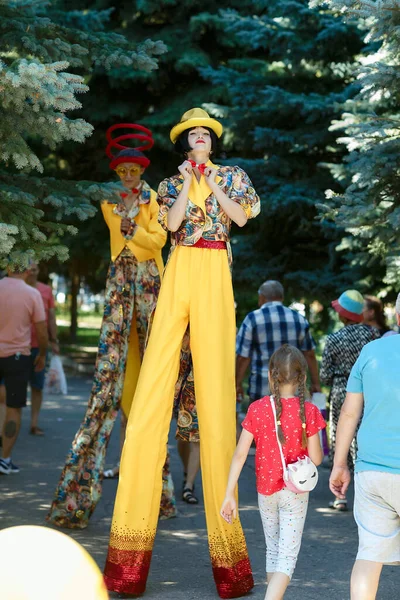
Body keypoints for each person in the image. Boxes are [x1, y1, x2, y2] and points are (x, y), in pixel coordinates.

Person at [103, 107, 260, 598]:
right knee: (153, 385)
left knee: (215, 390)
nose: (198, 138)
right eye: (191, 134)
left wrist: (210, 181)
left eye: (204, 134)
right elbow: (170, 227)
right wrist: (187, 183)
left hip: (215, 268)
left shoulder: (232, 176)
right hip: (181, 267)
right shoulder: (168, 185)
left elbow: (238, 217)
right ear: (184, 142)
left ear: (212, 140)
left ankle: (230, 565)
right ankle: (127, 566)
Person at [47, 123, 176, 528]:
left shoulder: (153, 197)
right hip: (122, 278)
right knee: (112, 380)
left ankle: (160, 491)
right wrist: (138, 233)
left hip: (151, 281)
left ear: (141, 169)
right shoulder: (109, 199)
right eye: (123, 171)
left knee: (154, 375)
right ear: (116, 172)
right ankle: (81, 492)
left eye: (134, 169)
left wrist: (136, 229)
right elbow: (124, 233)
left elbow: (158, 241)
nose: (129, 175)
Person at [221, 345, 325, 600]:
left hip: (265, 491)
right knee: (287, 558)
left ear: (271, 375)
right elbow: (317, 459)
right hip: (294, 493)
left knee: (273, 550)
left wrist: (229, 494)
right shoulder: (308, 411)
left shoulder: (257, 409)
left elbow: (240, 454)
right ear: (302, 378)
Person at [330, 292, 400, 600]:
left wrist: (339, 464)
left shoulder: (372, 350)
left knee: (369, 557)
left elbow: (349, 413)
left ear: (397, 317)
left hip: (372, 473)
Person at [320, 289, 380, 511]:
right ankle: (367, 494)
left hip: (341, 391)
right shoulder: (374, 336)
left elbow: (325, 375)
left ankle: (340, 496)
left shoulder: (335, 339)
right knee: (364, 438)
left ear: (342, 314)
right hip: (368, 391)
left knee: (340, 436)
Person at [236, 280, 321, 405]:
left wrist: (237, 384)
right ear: (281, 297)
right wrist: (315, 383)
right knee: (293, 424)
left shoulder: (252, 319)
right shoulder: (299, 319)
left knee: (262, 424)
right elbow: (309, 354)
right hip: (294, 390)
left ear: (261, 297)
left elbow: (243, 357)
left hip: (261, 389)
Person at [0, 263, 48, 474]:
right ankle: (5, 459)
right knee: (13, 407)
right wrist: (43, 354)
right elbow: (41, 329)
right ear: (27, 271)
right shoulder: (32, 294)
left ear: (8, 267)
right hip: (18, 358)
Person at [25, 262, 59, 436]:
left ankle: (34, 423)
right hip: (19, 345)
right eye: (29, 268)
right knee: (12, 387)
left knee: (37, 386)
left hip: (40, 346)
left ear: (38, 272)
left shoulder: (46, 290)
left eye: (35, 269)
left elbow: (51, 317)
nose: (32, 272)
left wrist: (54, 340)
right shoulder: (18, 289)